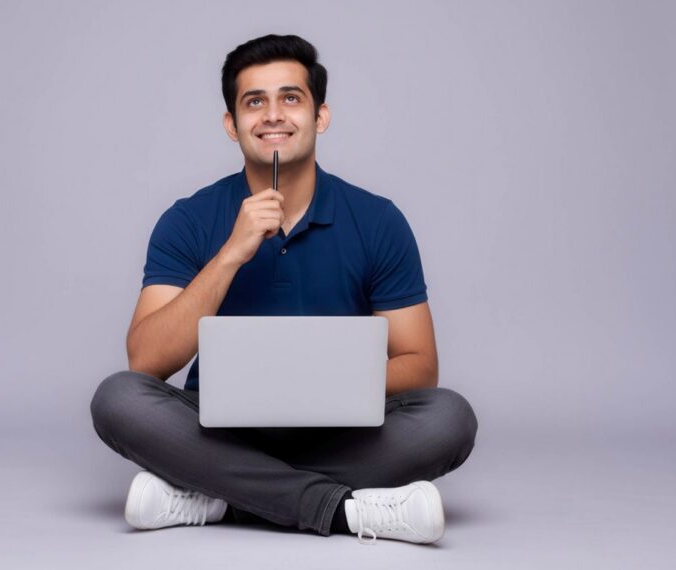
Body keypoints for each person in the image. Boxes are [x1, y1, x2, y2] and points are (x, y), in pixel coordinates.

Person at [90, 34, 478, 546]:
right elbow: (147, 361)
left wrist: (329, 385)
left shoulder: (379, 220)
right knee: (117, 399)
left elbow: (419, 363)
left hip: (342, 432)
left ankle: (219, 495)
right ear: (232, 125)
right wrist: (232, 252)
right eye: (255, 102)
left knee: (450, 417)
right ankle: (343, 511)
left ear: (320, 117)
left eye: (290, 98)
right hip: (218, 429)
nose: (273, 115)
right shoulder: (187, 219)